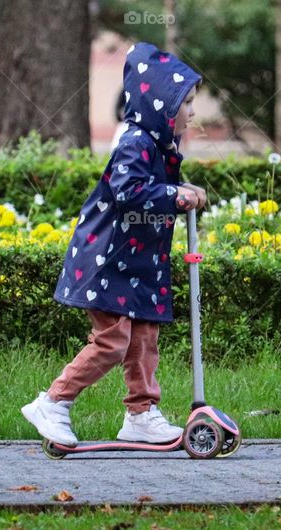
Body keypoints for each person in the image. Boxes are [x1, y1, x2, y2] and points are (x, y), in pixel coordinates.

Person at [21, 42, 208, 446]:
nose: (193, 112)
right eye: (187, 102)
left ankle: (141, 412)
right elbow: (129, 191)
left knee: (144, 336)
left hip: (138, 263)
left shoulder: (159, 144)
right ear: (161, 104)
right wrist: (175, 196)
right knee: (112, 340)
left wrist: (182, 189)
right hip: (107, 259)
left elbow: (155, 189)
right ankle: (53, 402)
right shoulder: (135, 141)